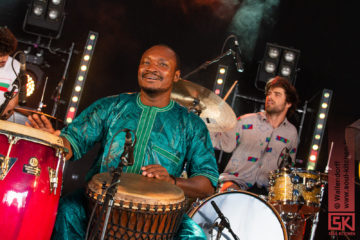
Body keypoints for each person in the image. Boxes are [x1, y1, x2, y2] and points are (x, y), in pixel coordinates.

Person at [26, 44, 219, 239]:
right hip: (99, 203)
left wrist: (172, 181)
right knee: (67, 211)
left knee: (195, 237)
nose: (152, 68)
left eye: (162, 64)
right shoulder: (111, 106)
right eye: (146, 63)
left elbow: (207, 184)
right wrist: (51, 141)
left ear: (176, 76)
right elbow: (71, 142)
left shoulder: (191, 125)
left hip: (159, 215)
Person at [211, 76, 299, 194]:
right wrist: (208, 122)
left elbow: (287, 168)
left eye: (277, 94)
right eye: (269, 93)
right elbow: (224, 144)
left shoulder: (291, 133)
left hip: (266, 191)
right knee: (229, 193)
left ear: (288, 103)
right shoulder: (245, 121)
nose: (270, 97)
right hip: (236, 182)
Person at [0, 26, 19, 120]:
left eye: (7, 54)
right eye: (1, 55)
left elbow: (11, 104)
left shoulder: (16, 67)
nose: (4, 59)